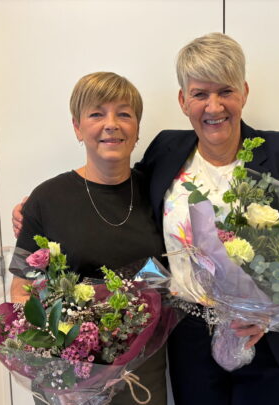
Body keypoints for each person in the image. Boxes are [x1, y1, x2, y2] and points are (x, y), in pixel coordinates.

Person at [14, 33, 279, 405]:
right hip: (189, 340)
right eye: (200, 94)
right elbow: (116, 193)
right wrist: (39, 210)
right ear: (183, 100)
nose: (214, 106)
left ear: (244, 92)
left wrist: (270, 315)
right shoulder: (167, 150)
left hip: (271, 342)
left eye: (225, 91)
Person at [10, 72, 167, 405]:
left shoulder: (158, 192)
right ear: (77, 127)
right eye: (97, 114)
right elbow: (22, 291)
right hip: (68, 378)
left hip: (140, 374)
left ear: (137, 128)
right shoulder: (47, 199)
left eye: (124, 114)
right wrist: (58, 359)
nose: (111, 124)